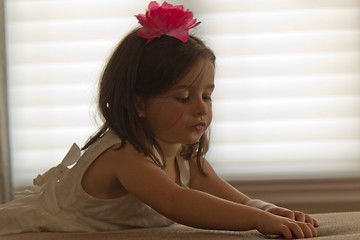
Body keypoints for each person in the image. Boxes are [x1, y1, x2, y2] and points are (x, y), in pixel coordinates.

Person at [0, 1, 318, 239]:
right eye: (183, 97)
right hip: (24, 227)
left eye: (207, 96)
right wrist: (255, 222)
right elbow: (174, 199)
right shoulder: (126, 154)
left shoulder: (178, 147)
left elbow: (207, 183)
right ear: (139, 103)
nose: (201, 108)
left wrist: (259, 207)